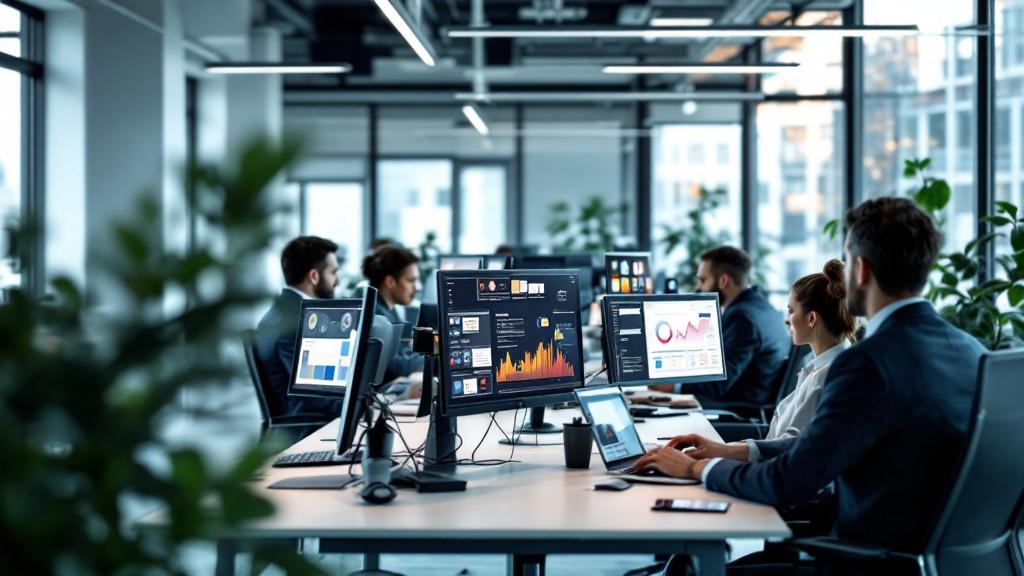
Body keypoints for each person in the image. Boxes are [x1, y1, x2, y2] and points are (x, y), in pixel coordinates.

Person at [635, 197, 986, 557]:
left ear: (861, 269)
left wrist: (697, 468)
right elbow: (819, 446)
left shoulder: (867, 364)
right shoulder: (972, 350)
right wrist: (735, 451)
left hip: (860, 558)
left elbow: (790, 480)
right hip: (942, 561)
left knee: (688, 566)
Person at [696, 259, 858, 463]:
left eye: (791, 311)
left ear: (811, 319)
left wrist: (721, 453)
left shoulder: (827, 375)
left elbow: (793, 447)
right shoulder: (820, 365)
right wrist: (720, 448)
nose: (786, 319)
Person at [653, 246, 790, 406]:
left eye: (703, 280)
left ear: (723, 280)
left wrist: (673, 386)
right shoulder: (763, 307)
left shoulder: (741, 318)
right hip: (750, 403)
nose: (698, 287)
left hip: (737, 411)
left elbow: (719, 384)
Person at [254, 236, 343, 419]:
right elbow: (315, 394)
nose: (338, 281)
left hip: (315, 418)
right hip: (307, 426)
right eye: (333, 272)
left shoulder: (288, 313)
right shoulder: (293, 323)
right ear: (314, 276)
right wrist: (364, 407)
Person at [362, 244, 424, 387]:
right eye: (411, 281)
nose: (417, 287)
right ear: (390, 281)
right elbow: (396, 367)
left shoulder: (388, 310)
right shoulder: (378, 318)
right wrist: (444, 358)